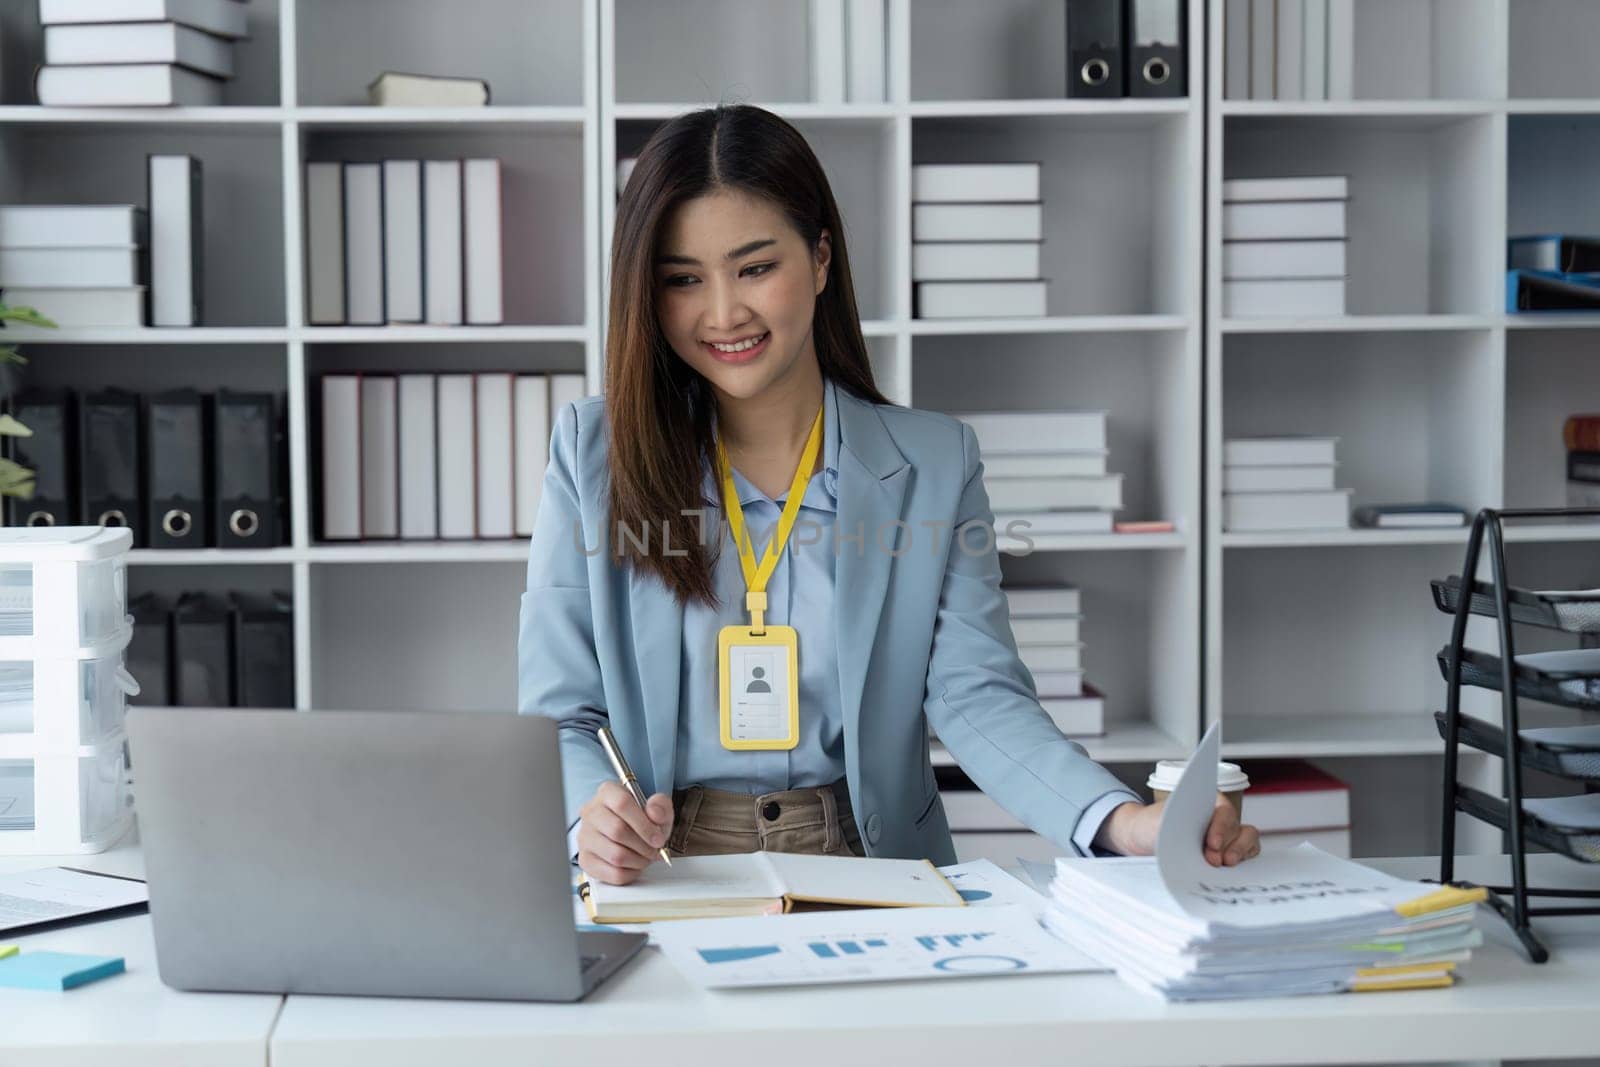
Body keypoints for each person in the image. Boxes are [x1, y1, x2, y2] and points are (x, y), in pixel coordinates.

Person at [519, 103, 1260, 886]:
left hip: (868, 870)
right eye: (682, 280)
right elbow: (562, 712)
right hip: (666, 872)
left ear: (822, 258)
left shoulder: (936, 463)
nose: (723, 312)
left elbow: (978, 697)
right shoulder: (592, 454)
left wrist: (1119, 823)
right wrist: (587, 819)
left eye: (757, 267)